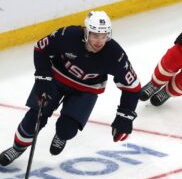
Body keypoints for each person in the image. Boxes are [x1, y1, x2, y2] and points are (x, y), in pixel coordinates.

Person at [0, 11, 141, 166]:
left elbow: (132, 87)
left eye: (104, 36)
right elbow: (41, 48)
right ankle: (18, 148)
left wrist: (125, 116)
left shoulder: (115, 54)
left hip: (87, 89)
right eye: (95, 35)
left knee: (67, 130)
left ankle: (61, 135)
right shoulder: (69, 35)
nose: (100, 41)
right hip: (56, 79)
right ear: (86, 32)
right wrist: (42, 79)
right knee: (33, 120)